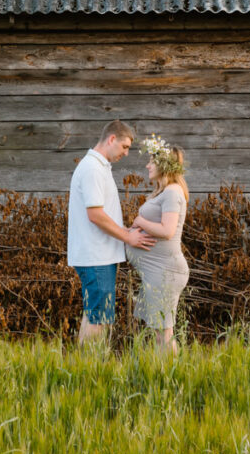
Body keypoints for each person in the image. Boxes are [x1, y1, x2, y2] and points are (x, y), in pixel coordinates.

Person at [67, 119, 154, 345]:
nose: (126, 153)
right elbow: (95, 214)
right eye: (124, 147)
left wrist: (125, 229)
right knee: (99, 316)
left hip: (101, 255)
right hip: (96, 255)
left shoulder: (99, 167)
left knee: (97, 313)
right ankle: (90, 368)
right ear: (111, 139)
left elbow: (104, 212)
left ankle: (88, 366)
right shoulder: (92, 169)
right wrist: (128, 236)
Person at [126, 135, 190, 354]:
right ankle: (161, 373)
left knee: (164, 332)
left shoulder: (172, 192)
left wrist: (140, 221)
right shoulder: (164, 192)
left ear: (163, 165)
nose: (147, 165)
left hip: (165, 272)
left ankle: (174, 375)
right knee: (158, 331)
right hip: (155, 272)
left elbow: (167, 230)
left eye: (152, 161)